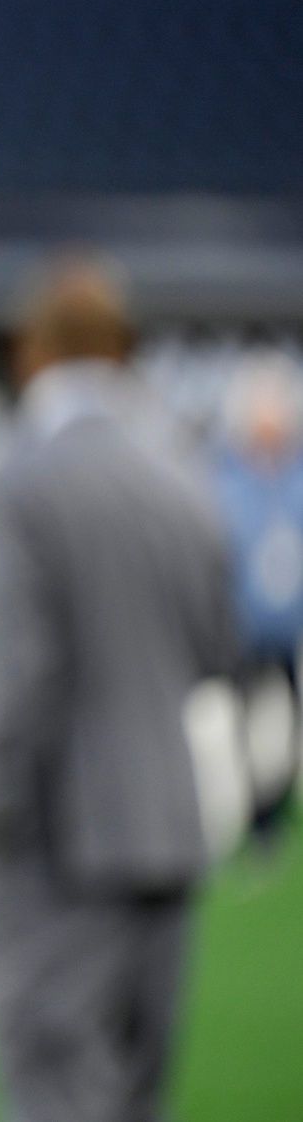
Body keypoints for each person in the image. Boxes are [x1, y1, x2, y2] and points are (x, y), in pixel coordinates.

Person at [0, 260, 236, 1122]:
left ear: (30, 352)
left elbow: (18, 686)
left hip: (58, 838)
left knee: (56, 1090)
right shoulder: (182, 478)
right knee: (136, 1093)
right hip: (168, 825)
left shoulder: (19, 481)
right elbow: (217, 653)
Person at [214, 353, 303, 850]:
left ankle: (280, 799)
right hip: (245, 627)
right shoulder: (228, 479)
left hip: (288, 627)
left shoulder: (296, 478)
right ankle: (256, 811)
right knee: (247, 724)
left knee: (290, 724)